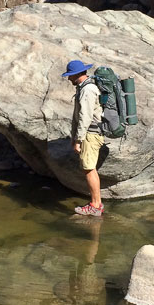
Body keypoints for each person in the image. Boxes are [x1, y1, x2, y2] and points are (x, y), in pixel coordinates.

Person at [62, 59, 105, 217]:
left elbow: (85, 117)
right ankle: (97, 203)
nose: (68, 79)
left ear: (76, 74)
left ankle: (95, 205)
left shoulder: (88, 90)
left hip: (90, 134)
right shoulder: (84, 88)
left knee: (89, 169)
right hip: (90, 133)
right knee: (89, 168)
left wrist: (79, 139)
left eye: (70, 76)